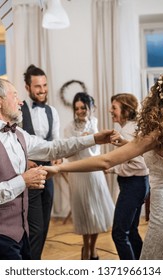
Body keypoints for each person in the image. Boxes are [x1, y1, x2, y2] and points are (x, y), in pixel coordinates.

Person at [44, 70, 163, 259]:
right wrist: (125, 144)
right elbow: (155, 154)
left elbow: (105, 160)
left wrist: (59, 167)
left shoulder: (156, 133)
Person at [0, 77, 113, 260]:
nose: (20, 101)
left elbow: (52, 148)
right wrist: (22, 181)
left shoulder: (17, 133)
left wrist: (94, 139)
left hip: (21, 232)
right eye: (14, 96)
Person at [64, 92, 114, 260]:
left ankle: (93, 247)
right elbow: (67, 151)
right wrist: (81, 140)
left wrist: (91, 138)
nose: (79, 111)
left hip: (94, 172)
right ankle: (86, 248)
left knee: (96, 212)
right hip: (78, 173)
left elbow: (97, 150)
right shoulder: (69, 127)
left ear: (89, 108)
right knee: (85, 213)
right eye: (76, 108)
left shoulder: (94, 123)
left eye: (83, 108)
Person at [20, 64, 61, 260]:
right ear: (27, 88)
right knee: (34, 227)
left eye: (45, 85)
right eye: (37, 86)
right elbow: (11, 142)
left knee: (44, 224)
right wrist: (25, 160)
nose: (43, 90)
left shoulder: (52, 111)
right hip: (29, 174)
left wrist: (58, 156)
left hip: (48, 173)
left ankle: (34, 261)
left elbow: (55, 140)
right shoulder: (18, 111)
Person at [106, 93, 149, 260]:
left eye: (114, 107)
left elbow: (140, 163)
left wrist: (111, 167)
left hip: (133, 185)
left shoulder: (128, 131)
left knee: (119, 233)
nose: (111, 110)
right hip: (138, 184)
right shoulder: (129, 128)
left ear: (126, 110)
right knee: (131, 231)